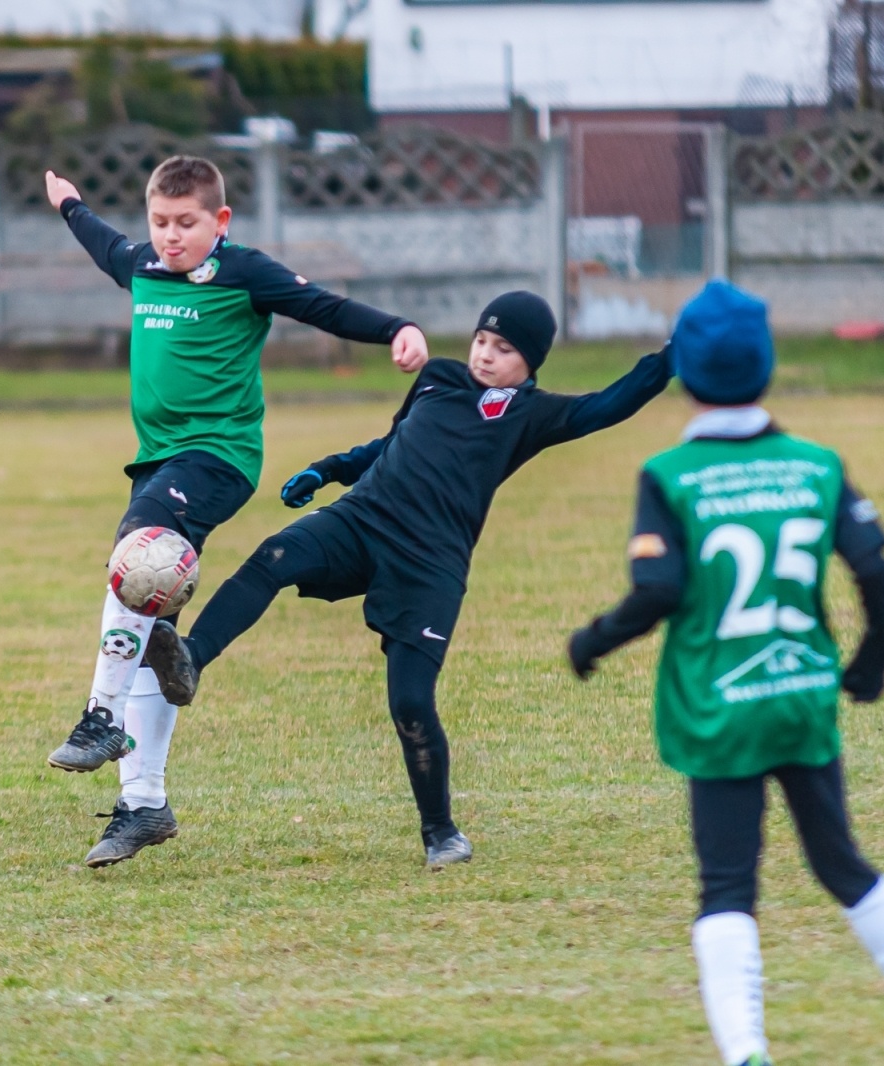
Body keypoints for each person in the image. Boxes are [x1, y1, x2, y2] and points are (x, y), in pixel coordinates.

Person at [566, 280, 884, 1066]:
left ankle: (749, 1054)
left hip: (720, 706)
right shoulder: (815, 465)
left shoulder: (670, 474)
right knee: (843, 864)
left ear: (684, 373)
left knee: (727, 886)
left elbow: (657, 591)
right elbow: (873, 564)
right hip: (798, 694)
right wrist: (872, 656)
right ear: (768, 366)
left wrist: (592, 641)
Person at [144, 291, 672, 866]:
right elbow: (390, 444)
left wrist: (670, 358)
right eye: (481, 340)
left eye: (503, 348)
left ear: (531, 361)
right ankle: (192, 656)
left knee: (412, 703)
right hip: (362, 520)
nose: (486, 355)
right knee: (275, 554)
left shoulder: (531, 414)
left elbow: (612, 402)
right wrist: (330, 469)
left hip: (430, 562)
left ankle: (440, 831)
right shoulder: (438, 377)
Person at [43, 155, 430, 868]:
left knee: (135, 558)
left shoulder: (244, 272)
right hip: (160, 463)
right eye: (160, 222)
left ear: (219, 221)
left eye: (186, 223)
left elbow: (326, 308)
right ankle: (144, 804)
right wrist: (69, 203)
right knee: (151, 617)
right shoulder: (143, 266)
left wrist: (397, 329)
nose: (170, 236)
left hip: (216, 459)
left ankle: (100, 716)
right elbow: (100, 239)